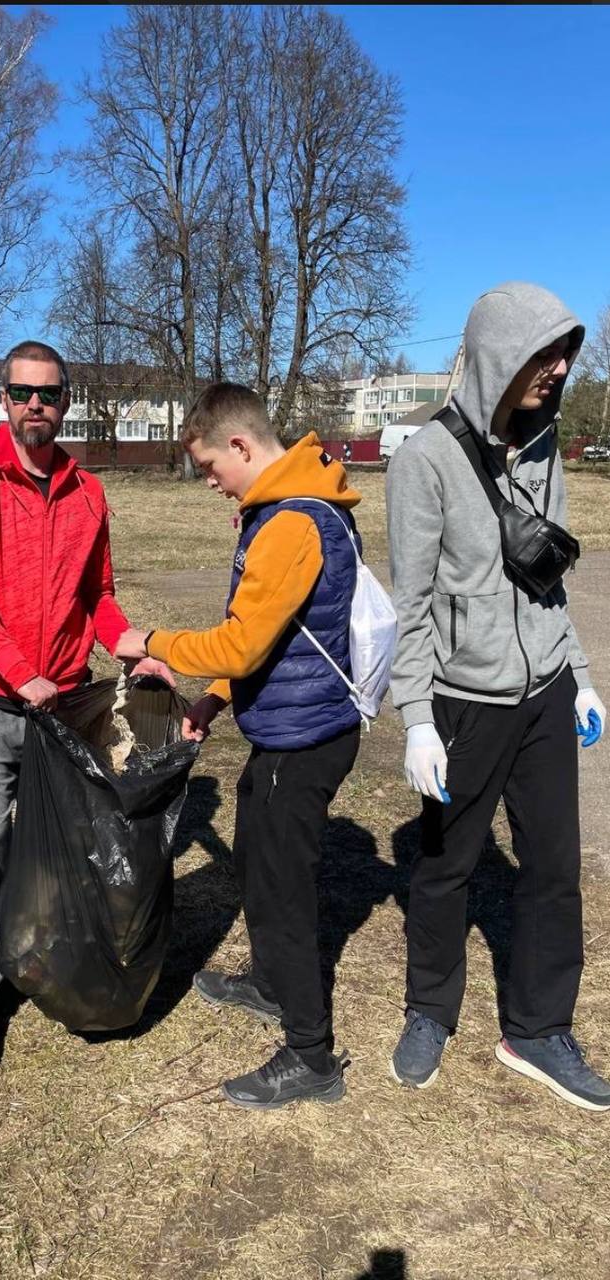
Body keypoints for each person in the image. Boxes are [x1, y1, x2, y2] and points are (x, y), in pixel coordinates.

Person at [386, 281, 610, 1110]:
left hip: (546, 692)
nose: (557, 369)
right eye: (541, 354)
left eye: (563, 354)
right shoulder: (424, 461)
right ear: (496, 356)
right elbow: (412, 603)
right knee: (447, 867)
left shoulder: (546, 446)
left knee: (553, 867)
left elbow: (548, 576)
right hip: (464, 701)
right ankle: (429, 1011)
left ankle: (539, 1029)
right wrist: (417, 719)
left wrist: (578, 677)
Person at [116, 382, 365, 1109]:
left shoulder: (291, 522)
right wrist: (215, 699)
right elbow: (279, 637)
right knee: (255, 856)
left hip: (304, 738)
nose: (209, 482)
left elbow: (243, 643)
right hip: (287, 727)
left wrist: (152, 641)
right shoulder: (291, 506)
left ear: (239, 444)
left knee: (282, 893)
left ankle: (310, 1055)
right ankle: (269, 983)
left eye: (209, 466)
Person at [0, 339, 172, 1064]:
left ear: (66, 401)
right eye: (22, 393)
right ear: (2, 400)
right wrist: (17, 672)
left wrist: (130, 645)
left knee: (60, 842)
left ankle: (43, 955)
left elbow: (98, 595)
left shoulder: (87, 492)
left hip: (64, 702)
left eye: (48, 393)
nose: (35, 405)